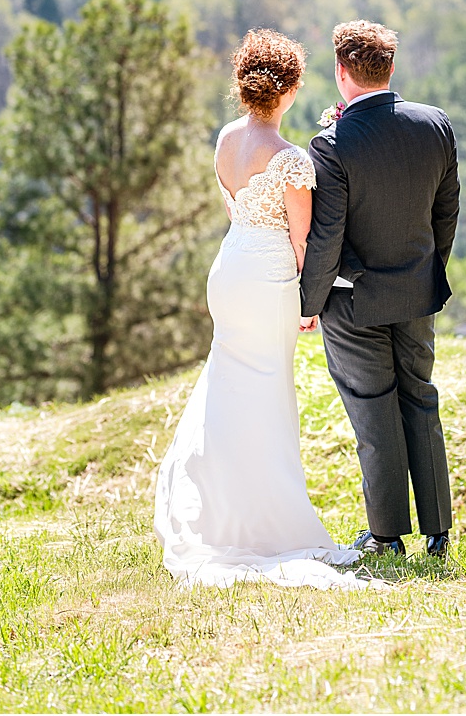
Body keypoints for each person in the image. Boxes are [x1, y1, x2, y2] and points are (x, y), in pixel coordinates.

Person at [153, 29, 365, 588]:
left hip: (228, 270)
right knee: (270, 390)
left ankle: (220, 509)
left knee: (228, 383)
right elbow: (302, 242)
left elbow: (234, 209)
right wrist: (309, 300)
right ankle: (268, 520)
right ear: (289, 90)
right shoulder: (292, 161)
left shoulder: (225, 140)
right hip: (269, 276)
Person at [301, 19, 460, 559]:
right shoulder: (435, 124)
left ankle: (387, 536)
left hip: (355, 300)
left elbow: (328, 235)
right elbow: (447, 211)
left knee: (374, 411)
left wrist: (308, 302)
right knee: (421, 399)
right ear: (390, 69)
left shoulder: (331, 143)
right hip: (418, 293)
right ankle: (438, 533)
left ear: (343, 73)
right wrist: (428, 266)